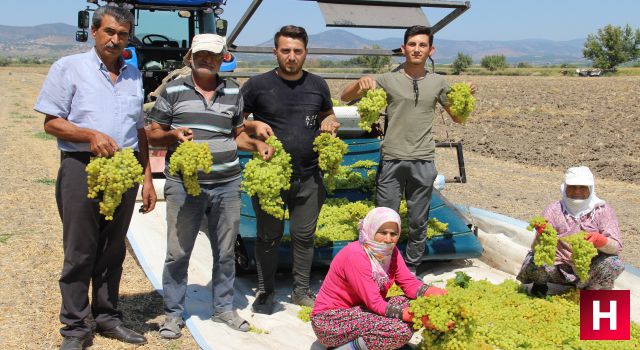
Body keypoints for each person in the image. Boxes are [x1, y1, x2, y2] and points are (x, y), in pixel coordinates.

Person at [33, 6, 156, 350]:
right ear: (94, 31)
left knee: (113, 247)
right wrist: (89, 135)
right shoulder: (69, 68)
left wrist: (146, 177)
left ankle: (107, 317)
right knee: (80, 249)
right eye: (109, 32)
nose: (115, 40)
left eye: (122, 35)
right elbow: (51, 123)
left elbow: (139, 130)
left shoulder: (133, 74)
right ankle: (75, 327)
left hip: (125, 170)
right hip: (82, 166)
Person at [146, 33, 274, 336]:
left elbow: (237, 134)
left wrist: (257, 146)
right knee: (178, 252)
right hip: (184, 185)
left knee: (226, 249)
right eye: (201, 54)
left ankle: (223, 309)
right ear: (191, 56)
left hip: (227, 184)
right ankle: (173, 314)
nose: (206, 59)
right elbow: (152, 133)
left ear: (223, 58)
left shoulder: (233, 90)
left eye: (213, 55)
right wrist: (172, 136)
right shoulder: (174, 89)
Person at [340, 25, 476, 274]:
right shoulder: (387, 79)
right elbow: (344, 97)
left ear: (431, 50)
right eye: (412, 45)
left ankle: (411, 268)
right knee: (385, 219)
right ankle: (380, 267)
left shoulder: (438, 83)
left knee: (418, 219)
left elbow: (457, 117)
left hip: (423, 160)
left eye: (422, 45)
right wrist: (360, 84)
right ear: (403, 49)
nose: (417, 49)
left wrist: (465, 97)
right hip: (392, 158)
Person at [241, 25, 341, 314]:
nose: (291, 56)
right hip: (271, 178)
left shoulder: (318, 85)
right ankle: (266, 291)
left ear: (306, 52)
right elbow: (237, 123)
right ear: (275, 52)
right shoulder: (257, 86)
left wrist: (331, 122)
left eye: (297, 51)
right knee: (268, 235)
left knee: (304, 236)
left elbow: (328, 113)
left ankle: (300, 291)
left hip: (309, 176)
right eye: (285, 51)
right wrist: (254, 126)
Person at [311, 207, 449, 350]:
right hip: (331, 320)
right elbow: (374, 302)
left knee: (414, 303)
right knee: (400, 330)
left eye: (393, 234)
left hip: (360, 310)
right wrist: (413, 316)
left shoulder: (391, 252)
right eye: (383, 233)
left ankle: (375, 341)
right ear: (371, 230)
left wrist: (433, 293)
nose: (388, 239)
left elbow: (408, 282)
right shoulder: (356, 255)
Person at [517, 166, 625, 295]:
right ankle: (540, 286)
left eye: (582, 187)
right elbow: (535, 248)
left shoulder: (602, 211)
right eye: (573, 186)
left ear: (591, 189)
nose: (577, 191)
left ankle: (589, 291)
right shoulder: (553, 210)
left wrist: (600, 240)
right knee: (534, 259)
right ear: (565, 188)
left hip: (588, 269)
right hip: (557, 268)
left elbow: (616, 247)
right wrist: (541, 236)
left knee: (614, 264)